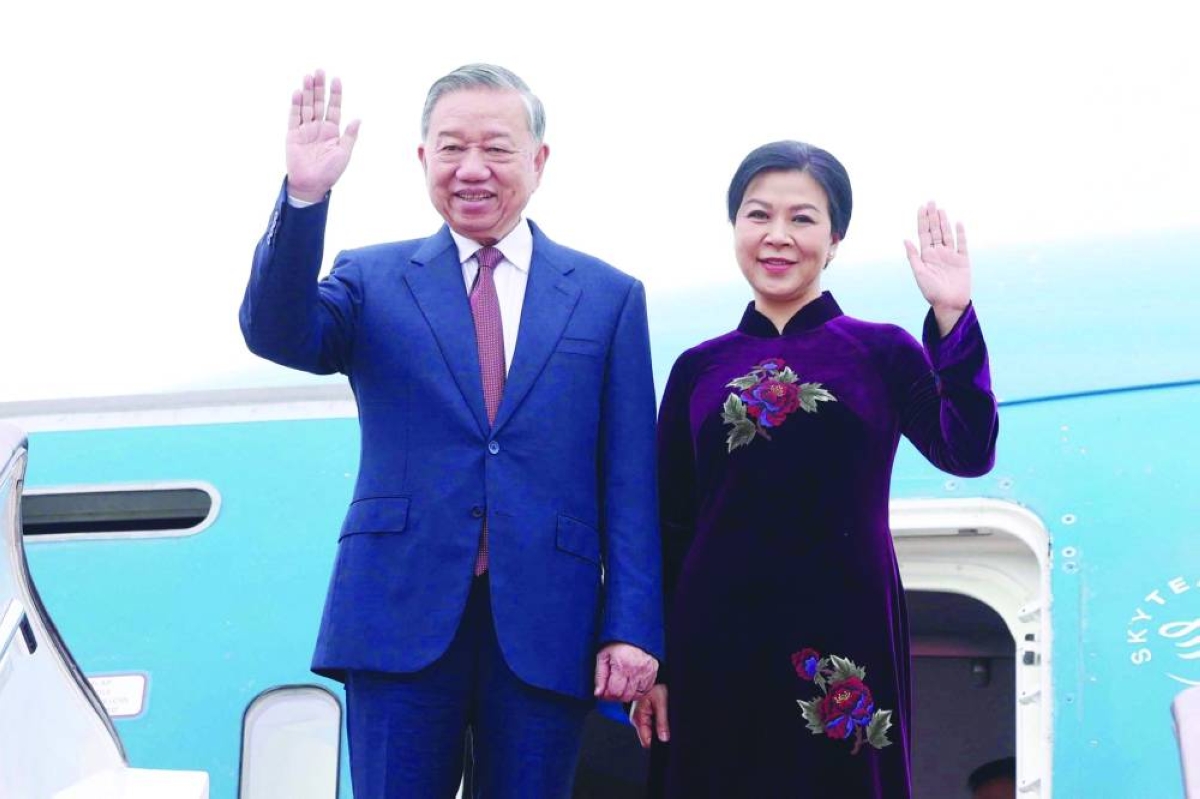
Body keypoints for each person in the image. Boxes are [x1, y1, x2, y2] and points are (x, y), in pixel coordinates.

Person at [240, 64, 663, 798]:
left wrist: (631, 626)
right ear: (423, 159)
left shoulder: (608, 297)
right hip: (397, 615)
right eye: (451, 148)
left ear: (539, 160)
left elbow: (631, 480)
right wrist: (306, 195)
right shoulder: (372, 278)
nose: (472, 169)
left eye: (496, 148)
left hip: (547, 623)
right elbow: (277, 332)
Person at [631, 140, 999, 797]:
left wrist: (953, 316)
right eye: (757, 215)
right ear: (735, 228)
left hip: (843, 628)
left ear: (835, 238)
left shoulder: (882, 350)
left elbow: (967, 450)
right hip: (714, 632)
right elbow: (669, 521)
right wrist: (656, 663)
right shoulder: (696, 367)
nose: (777, 236)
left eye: (801, 218)